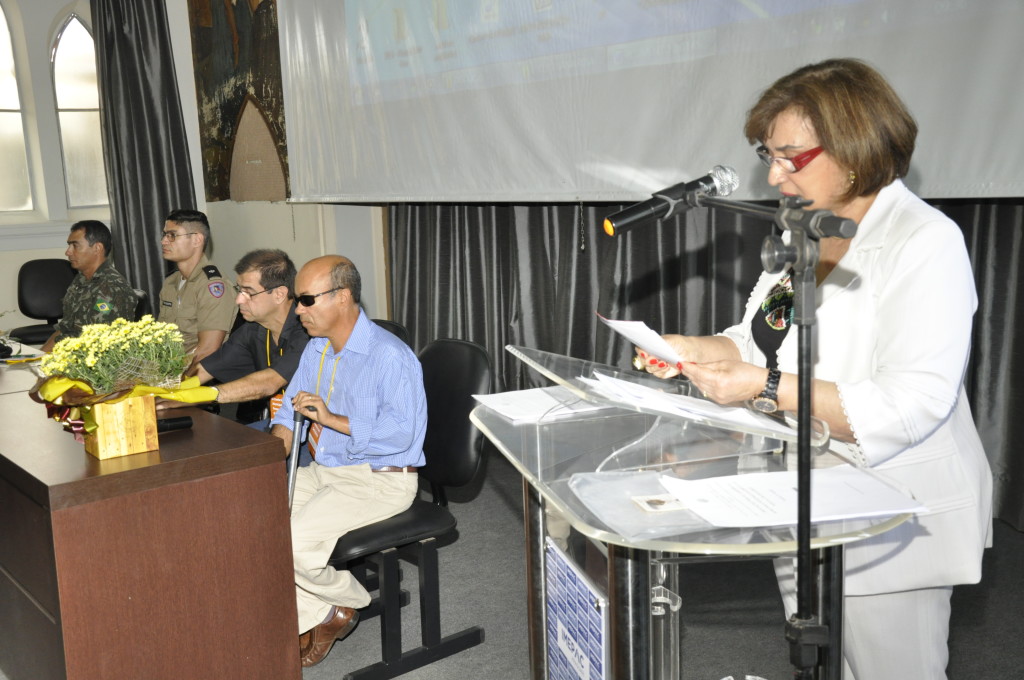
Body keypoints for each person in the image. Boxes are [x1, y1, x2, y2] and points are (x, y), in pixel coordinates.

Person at [639, 58, 991, 680]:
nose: (772, 174)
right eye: (766, 154)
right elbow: (756, 343)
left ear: (854, 151)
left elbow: (910, 405)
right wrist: (691, 348)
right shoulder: (804, 233)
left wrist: (765, 389)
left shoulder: (925, 241)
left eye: (789, 157)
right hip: (802, 497)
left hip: (892, 513)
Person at [270, 255, 426, 668]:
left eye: (306, 299)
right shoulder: (317, 349)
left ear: (343, 297)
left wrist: (332, 420)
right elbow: (290, 407)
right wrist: (277, 444)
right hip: (328, 470)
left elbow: (403, 433)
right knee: (259, 522)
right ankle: (322, 611)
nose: (297, 310)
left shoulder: (390, 357)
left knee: (292, 543)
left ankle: (348, 601)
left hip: (380, 478)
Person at [156, 249, 309, 426]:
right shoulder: (253, 329)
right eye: (239, 290)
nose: (238, 300)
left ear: (279, 294)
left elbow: (269, 382)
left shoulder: (307, 330)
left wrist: (196, 396)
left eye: (248, 293)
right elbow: (206, 370)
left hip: (314, 430)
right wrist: (170, 393)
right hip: (281, 421)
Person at [157, 209, 236, 373]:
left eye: (172, 235)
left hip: (196, 377)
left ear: (196, 240)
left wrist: (172, 384)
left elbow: (207, 350)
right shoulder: (171, 282)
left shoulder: (212, 285)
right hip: (167, 370)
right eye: (164, 234)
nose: (164, 241)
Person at [40, 220, 137, 352]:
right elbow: (65, 329)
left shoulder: (111, 287)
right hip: (72, 354)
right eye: (69, 245)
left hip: (96, 363)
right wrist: (38, 358)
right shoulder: (81, 279)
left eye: (75, 246)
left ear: (97, 248)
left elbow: (98, 344)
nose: (68, 252)